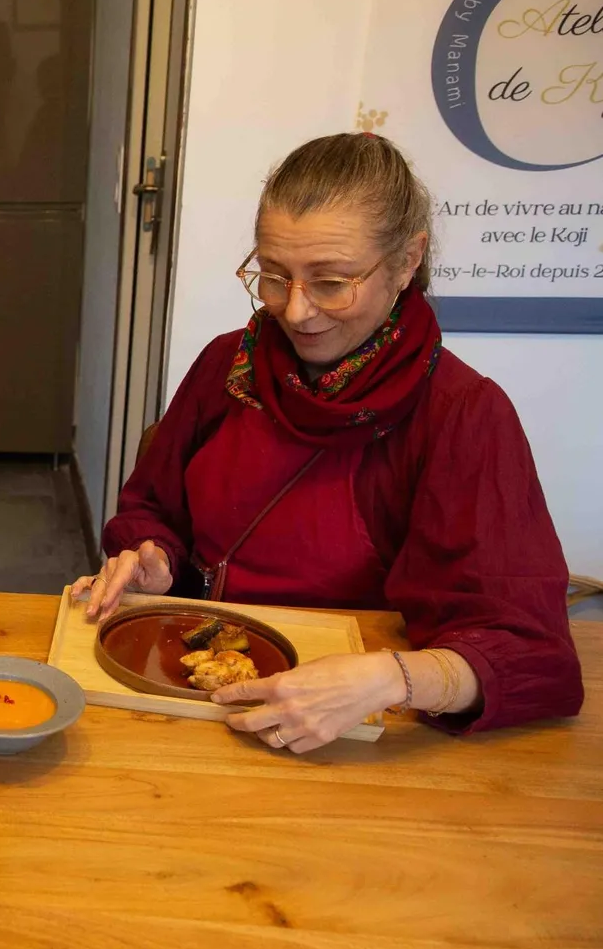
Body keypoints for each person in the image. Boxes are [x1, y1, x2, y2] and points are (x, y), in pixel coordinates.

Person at [74, 133, 580, 751]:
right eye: (274, 276)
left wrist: (394, 677)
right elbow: (154, 507)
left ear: (406, 261)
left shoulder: (463, 413)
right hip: (190, 681)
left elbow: (530, 650)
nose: (296, 312)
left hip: (346, 717)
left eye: (332, 282)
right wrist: (154, 556)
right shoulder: (225, 364)